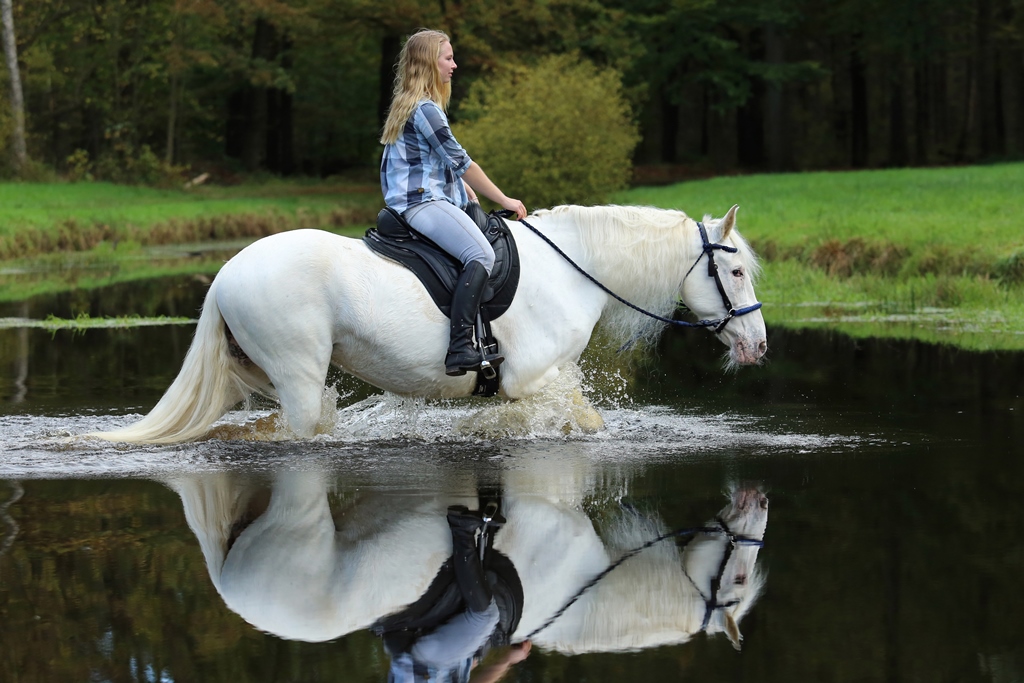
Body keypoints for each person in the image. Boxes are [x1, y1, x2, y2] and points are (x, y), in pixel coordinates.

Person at [380, 28, 528, 377]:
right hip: (420, 203)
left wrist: (467, 193)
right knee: (481, 255)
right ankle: (460, 346)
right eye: (447, 58)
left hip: (414, 200)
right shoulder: (426, 110)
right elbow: (463, 162)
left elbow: (439, 164)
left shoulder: (408, 106)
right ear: (431, 63)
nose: (454, 65)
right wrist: (505, 198)